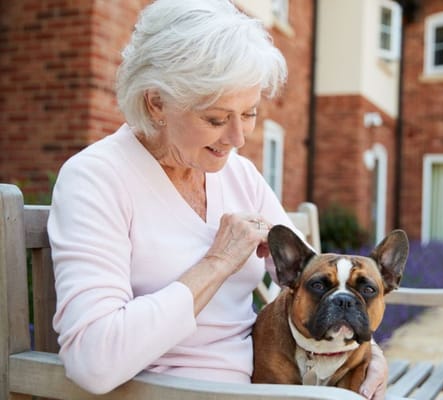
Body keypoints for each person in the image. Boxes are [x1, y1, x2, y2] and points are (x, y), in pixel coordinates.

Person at [47, 0, 388, 398]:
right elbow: (94, 361)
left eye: (249, 114)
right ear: (156, 102)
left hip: (262, 386)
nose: (238, 139)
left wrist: (367, 352)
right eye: (216, 119)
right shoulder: (97, 178)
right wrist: (218, 262)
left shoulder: (238, 173)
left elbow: (315, 283)